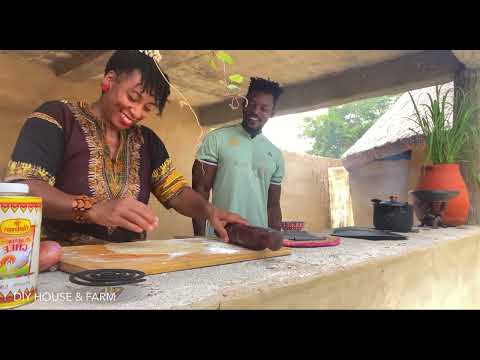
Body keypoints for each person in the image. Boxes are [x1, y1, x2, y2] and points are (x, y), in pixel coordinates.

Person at [3, 50, 246, 246]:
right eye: (133, 98)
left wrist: (208, 209)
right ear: (109, 81)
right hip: (60, 263)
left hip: (127, 266)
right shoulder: (57, 117)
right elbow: (22, 188)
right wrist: (91, 208)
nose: (138, 112)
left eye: (148, 108)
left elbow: (177, 192)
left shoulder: (148, 141)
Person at [192, 77, 284, 237]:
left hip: (259, 242)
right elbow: (200, 191)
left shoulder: (275, 154)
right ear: (244, 103)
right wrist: (200, 239)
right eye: (252, 104)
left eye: (264, 108)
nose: (256, 111)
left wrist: (275, 241)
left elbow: (273, 206)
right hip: (220, 239)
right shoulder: (216, 139)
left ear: (272, 112)